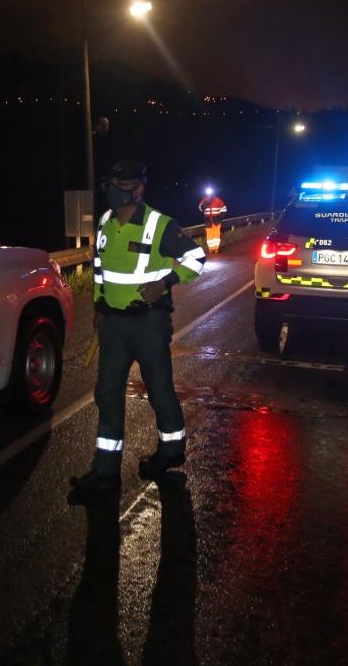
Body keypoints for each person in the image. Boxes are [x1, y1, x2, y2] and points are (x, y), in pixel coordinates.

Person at [71, 159, 207, 491]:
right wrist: (99, 305)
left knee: (159, 391)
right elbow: (101, 268)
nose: (113, 193)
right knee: (107, 394)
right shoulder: (105, 222)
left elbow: (198, 258)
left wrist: (165, 283)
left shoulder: (160, 225)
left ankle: (171, 452)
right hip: (114, 326)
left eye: (121, 186)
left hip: (149, 324)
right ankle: (105, 472)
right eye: (110, 186)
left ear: (137, 190)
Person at [198, 188, 227, 254]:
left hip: (216, 220)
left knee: (216, 235)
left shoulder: (218, 200)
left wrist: (220, 217)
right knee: (209, 235)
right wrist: (206, 203)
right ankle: (211, 249)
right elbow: (200, 208)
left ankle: (216, 248)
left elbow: (224, 209)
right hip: (208, 220)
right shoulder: (204, 200)